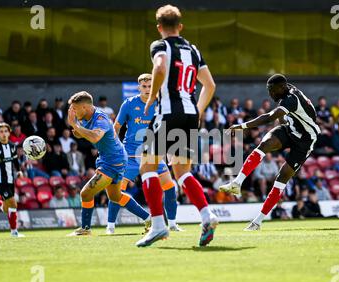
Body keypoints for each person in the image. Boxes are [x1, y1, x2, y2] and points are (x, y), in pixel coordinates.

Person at [137, 4, 217, 247]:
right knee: (182, 171)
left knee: (147, 167)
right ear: (180, 26)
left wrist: (151, 98)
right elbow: (210, 85)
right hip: (191, 113)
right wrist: (199, 110)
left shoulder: (160, 45)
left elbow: (160, 67)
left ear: (159, 27)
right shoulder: (193, 49)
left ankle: (159, 226)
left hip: (168, 112)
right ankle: (207, 215)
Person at [220, 74, 320, 231]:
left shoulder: (291, 99)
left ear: (281, 88)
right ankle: (237, 183)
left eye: (272, 90)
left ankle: (257, 222)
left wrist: (242, 126)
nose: (270, 94)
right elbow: (281, 115)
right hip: (291, 129)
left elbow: (269, 117)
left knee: (282, 178)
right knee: (265, 144)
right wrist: (281, 131)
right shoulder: (286, 90)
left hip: (306, 141)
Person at [66, 91, 151, 236]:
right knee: (116, 197)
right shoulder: (86, 116)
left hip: (113, 161)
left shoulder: (100, 118)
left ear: (85, 107)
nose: (72, 111)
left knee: (86, 193)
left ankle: (85, 229)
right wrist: (78, 130)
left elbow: (95, 137)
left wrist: (75, 124)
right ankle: (149, 219)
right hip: (114, 158)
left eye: (74, 108)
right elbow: (84, 133)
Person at [110, 73, 181, 234]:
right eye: (144, 86)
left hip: (153, 153)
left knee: (170, 187)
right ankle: (110, 226)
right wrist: (116, 149)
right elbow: (116, 127)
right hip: (131, 155)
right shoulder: (129, 104)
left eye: (150, 86)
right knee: (116, 190)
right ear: (138, 87)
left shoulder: (162, 103)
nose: (148, 89)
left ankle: (173, 224)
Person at [0, 123, 24, 237]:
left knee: (7, 207)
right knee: (13, 203)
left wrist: (18, 171)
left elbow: (15, 159)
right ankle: (14, 232)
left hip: (10, 179)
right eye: (1, 131)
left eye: (5, 131)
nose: (3, 134)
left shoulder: (12, 146)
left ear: (9, 132)